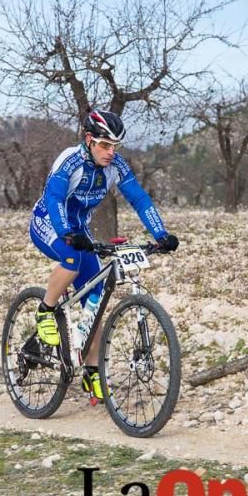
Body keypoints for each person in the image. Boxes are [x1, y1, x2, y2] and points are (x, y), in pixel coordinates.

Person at [29, 109, 179, 400]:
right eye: (105, 145)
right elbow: (55, 198)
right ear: (89, 139)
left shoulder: (116, 165)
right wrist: (65, 232)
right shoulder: (69, 160)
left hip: (78, 231)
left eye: (116, 147)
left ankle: (92, 372)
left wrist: (161, 235)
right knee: (71, 259)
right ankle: (46, 310)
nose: (111, 153)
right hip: (48, 223)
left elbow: (139, 198)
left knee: (94, 302)